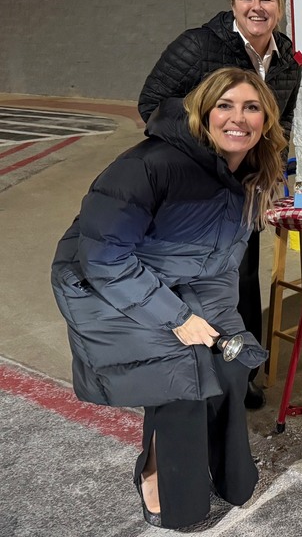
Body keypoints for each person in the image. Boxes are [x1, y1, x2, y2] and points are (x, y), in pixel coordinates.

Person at [52, 67, 287, 529]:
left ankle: (228, 476)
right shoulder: (150, 165)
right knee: (182, 375)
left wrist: (224, 329)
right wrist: (178, 318)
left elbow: (221, 267)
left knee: (231, 363)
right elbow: (102, 259)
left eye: (251, 107)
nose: (237, 118)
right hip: (98, 285)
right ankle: (161, 478)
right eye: (225, 105)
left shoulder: (251, 176)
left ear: (266, 120)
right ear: (203, 112)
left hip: (174, 280)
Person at [139, 0, 301, 408]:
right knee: (188, 276)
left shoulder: (287, 59)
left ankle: (240, 369)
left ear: (280, 8)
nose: (257, 7)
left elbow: (279, 122)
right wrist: (203, 151)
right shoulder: (198, 45)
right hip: (191, 186)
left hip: (243, 187)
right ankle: (187, 368)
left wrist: (273, 175)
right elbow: (151, 103)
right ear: (234, 3)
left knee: (239, 278)